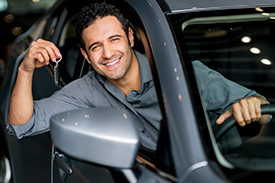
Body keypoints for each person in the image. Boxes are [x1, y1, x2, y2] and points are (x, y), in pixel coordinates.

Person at [7, 2, 270, 150]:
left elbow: (263, 109)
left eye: (114, 39)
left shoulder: (186, 75)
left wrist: (251, 107)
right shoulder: (85, 90)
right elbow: (21, 126)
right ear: (86, 56)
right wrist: (25, 69)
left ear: (131, 37)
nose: (108, 53)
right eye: (96, 47)